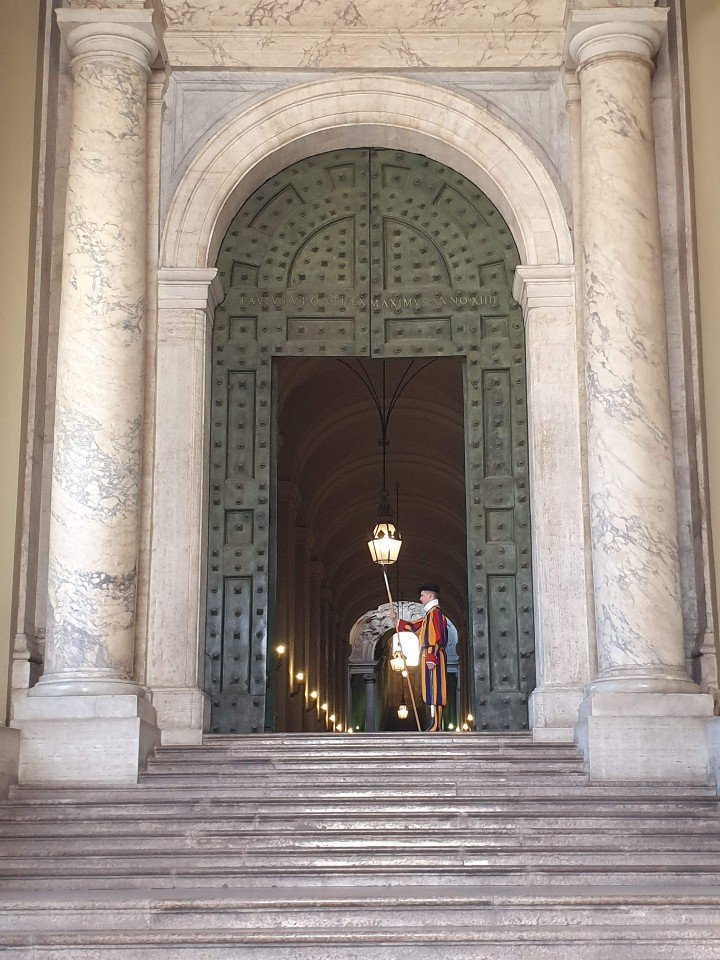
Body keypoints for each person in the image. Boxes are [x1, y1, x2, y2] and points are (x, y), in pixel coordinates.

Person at [398, 583, 448, 732]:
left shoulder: (435, 614)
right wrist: (397, 621)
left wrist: (431, 656)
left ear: (430, 596)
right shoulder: (429, 615)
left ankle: (437, 724)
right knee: (431, 690)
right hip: (429, 656)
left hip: (434, 656)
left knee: (436, 690)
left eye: (422, 595)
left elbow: (436, 636)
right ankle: (435, 723)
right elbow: (415, 626)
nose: (420, 599)